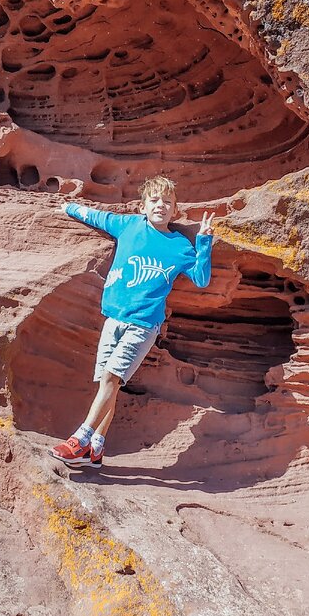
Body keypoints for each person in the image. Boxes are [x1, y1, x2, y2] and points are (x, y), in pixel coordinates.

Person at [50, 175, 215, 469]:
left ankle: (79, 440)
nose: (160, 206)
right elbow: (98, 217)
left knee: (112, 379)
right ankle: (95, 450)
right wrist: (68, 208)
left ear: (175, 210)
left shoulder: (180, 246)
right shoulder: (128, 226)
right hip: (113, 318)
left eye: (167, 202)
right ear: (143, 206)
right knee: (106, 384)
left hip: (143, 325)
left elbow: (201, 279)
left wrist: (203, 241)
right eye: (154, 200)